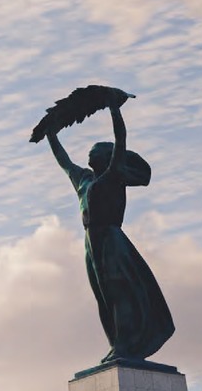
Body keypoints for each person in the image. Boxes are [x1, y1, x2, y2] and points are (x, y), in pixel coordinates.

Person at [43, 97, 174, 363]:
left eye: (96, 149)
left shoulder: (113, 175)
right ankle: (117, 342)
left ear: (105, 157)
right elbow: (63, 161)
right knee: (102, 296)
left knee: (119, 291)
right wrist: (50, 134)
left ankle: (125, 344)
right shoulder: (83, 179)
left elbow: (121, 140)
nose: (89, 152)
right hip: (92, 243)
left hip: (112, 241)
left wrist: (114, 109)